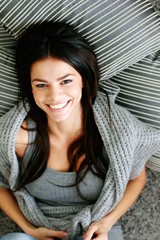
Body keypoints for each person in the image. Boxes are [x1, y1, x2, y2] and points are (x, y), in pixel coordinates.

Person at [0, 21, 160, 240]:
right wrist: (28, 229)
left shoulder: (116, 130)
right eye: (41, 85)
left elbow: (137, 177)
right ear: (30, 87)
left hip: (96, 233)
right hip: (40, 232)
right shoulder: (15, 137)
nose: (55, 97)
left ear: (83, 79)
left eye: (66, 81)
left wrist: (106, 223)